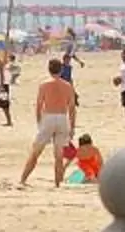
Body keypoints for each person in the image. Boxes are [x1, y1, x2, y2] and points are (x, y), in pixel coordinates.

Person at [19, 60, 80, 188]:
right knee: (59, 155)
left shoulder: (44, 85)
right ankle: (58, 183)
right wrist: (72, 126)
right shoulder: (67, 86)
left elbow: (39, 105)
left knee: (36, 152)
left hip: (49, 117)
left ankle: (23, 179)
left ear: (49, 69)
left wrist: (39, 123)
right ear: (61, 70)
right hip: (62, 118)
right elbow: (72, 108)